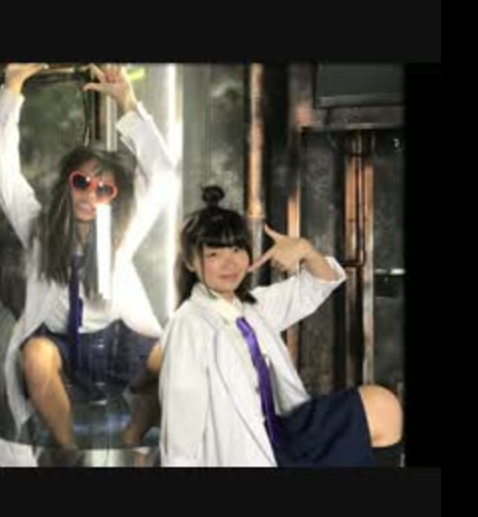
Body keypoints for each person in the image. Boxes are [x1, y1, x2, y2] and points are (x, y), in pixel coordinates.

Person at [0, 63, 177, 460]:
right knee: (35, 357)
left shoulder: (123, 231)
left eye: (103, 189)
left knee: (177, 367)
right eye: (82, 183)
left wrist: (127, 102)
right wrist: (13, 87)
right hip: (62, 346)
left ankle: (135, 440)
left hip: (118, 341)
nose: (90, 195)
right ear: (68, 183)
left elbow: (163, 176)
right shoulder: (39, 228)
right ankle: (68, 451)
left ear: (114, 197)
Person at [159, 186, 403, 467]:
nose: (230, 263)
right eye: (214, 254)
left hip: (285, 435)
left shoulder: (252, 307)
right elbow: (181, 426)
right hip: (244, 452)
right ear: (190, 262)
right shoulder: (188, 325)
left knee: (382, 407)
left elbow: (318, 283)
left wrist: (306, 250)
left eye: (237, 249)